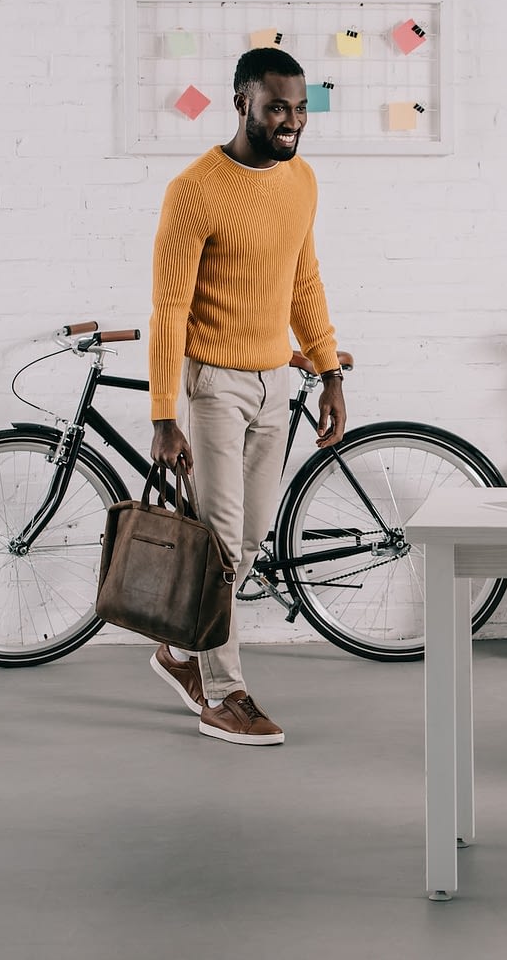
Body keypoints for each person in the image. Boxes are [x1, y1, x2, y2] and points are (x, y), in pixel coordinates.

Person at [145, 47, 346, 746]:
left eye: (299, 109)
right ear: (241, 104)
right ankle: (224, 692)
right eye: (276, 108)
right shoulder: (194, 189)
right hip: (213, 386)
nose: (291, 122)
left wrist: (329, 373)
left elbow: (304, 282)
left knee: (249, 541)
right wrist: (162, 413)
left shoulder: (301, 180)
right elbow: (169, 308)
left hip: (275, 382)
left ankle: (176, 650)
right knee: (222, 546)